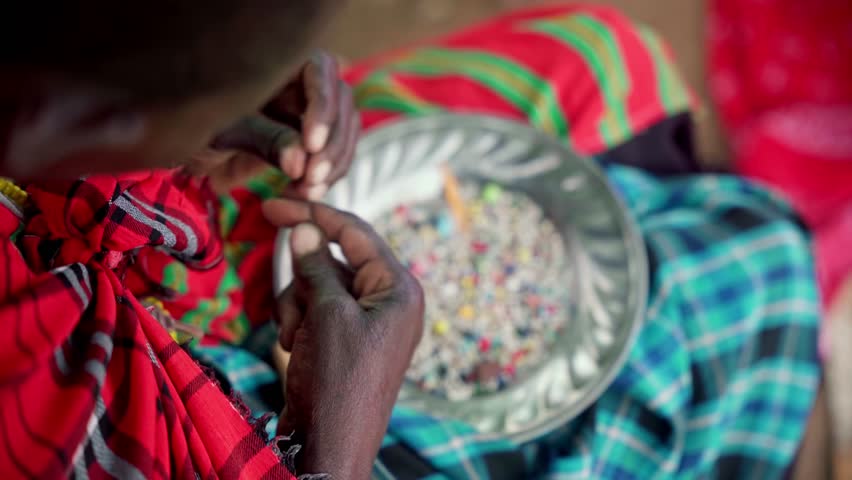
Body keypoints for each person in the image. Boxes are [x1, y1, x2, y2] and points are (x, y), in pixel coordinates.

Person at [0, 2, 822, 480]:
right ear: (62, 119)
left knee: (601, 53)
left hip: (121, 231)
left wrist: (194, 134)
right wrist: (333, 440)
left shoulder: (40, 133)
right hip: (259, 432)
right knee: (751, 268)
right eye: (221, 94)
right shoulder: (40, 392)